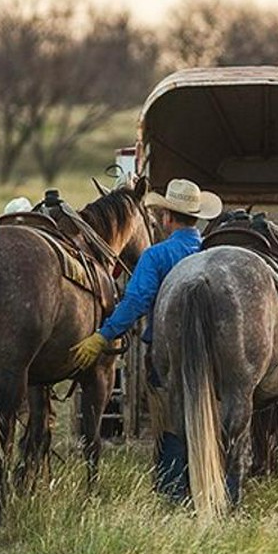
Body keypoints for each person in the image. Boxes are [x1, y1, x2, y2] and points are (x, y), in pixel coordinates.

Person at [69, 178, 222, 498]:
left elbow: (136, 301)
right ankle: (216, 485)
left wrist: (102, 336)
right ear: (197, 217)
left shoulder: (156, 256)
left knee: (168, 416)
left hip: (167, 352)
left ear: (167, 217)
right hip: (215, 353)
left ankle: (174, 489)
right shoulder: (214, 253)